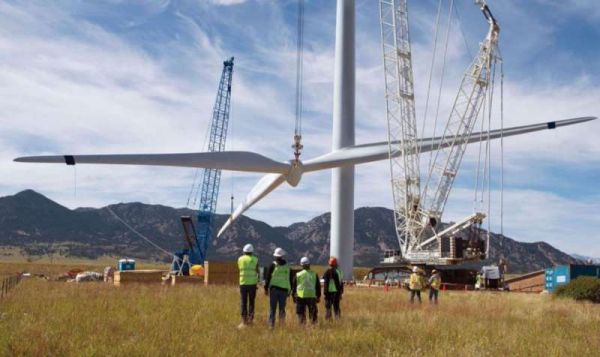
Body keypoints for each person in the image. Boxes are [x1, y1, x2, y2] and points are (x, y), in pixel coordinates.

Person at [264, 247, 292, 328]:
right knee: (282, 309)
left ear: (276, 256)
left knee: (272, 309)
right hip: (284, 291)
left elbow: (268, 278)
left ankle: (271, 326)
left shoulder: (273, 265)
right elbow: (290, 279)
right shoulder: (287, 266)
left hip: (274, 290)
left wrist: (266, 289)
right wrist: (289, 290)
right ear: (282, 256)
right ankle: (282, 326)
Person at [292, 257, 321, 325]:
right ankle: (314, 325)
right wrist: (318, 296)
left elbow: (294, 286)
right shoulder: (314, 274)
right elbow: (318, 286)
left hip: (300, 296)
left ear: (301, 265)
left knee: (301, 313)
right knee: (313, 313)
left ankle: (302, 326)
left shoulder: (298, 275)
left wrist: (293, 296)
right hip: (311, 296)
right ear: (309, 264)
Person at [237, 243, 259, 329]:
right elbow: (257, 271)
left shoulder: (240, 259)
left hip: (243, 283)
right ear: (252, 251)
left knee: (243, 302)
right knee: (251, 302)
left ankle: (244, 321)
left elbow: (240, 269)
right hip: (252, 284)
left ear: (244, 251)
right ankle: (251, 319)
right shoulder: (255, 259)